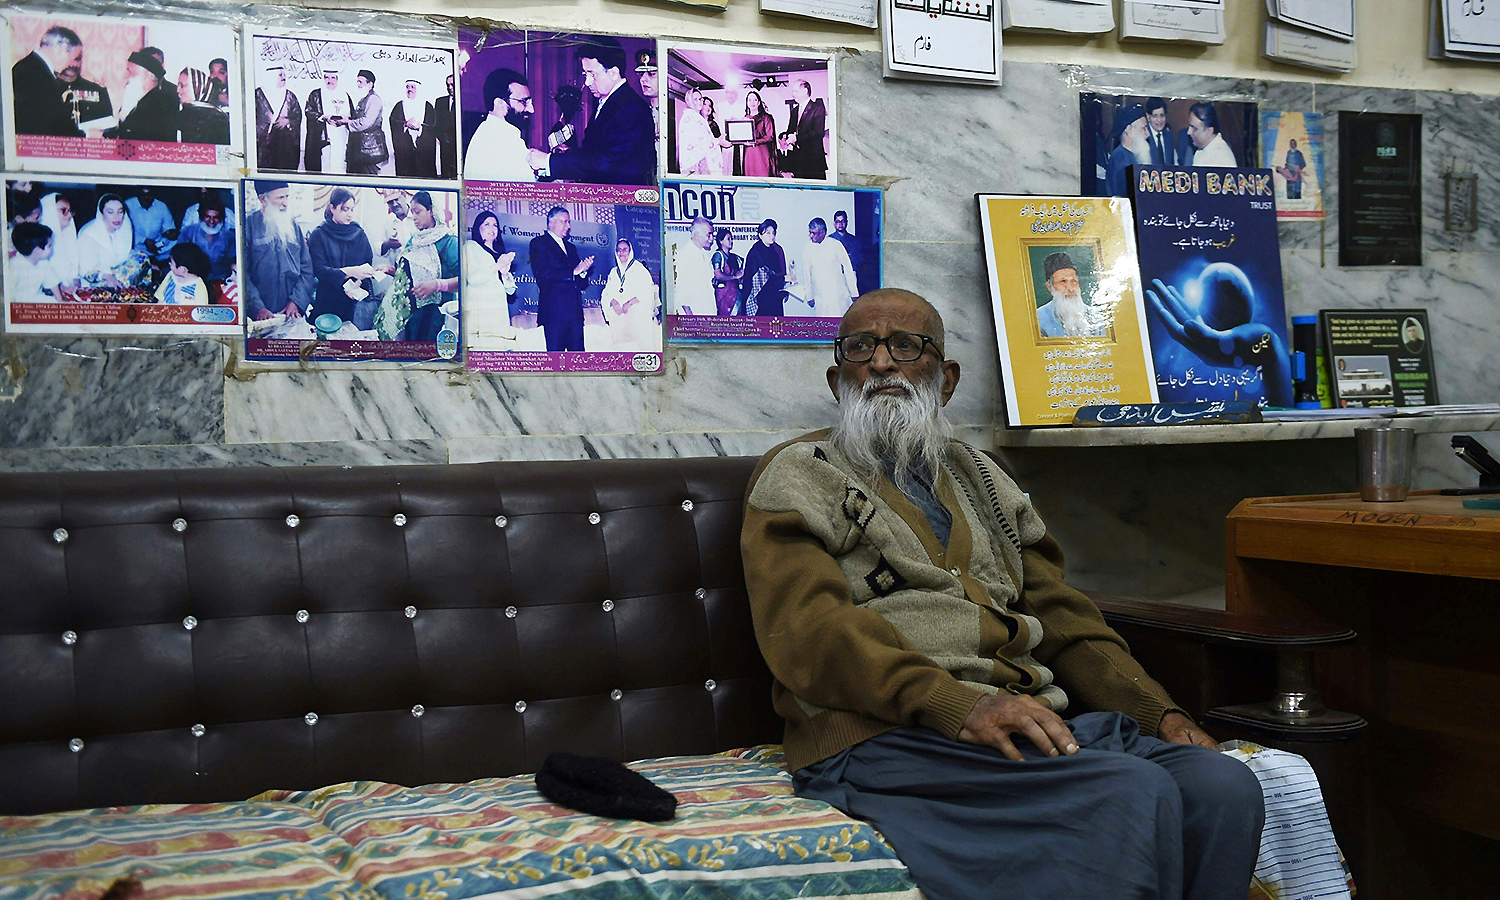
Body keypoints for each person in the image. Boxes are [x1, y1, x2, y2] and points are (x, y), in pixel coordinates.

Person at [742, 287, 1265, 900]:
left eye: (905, 346)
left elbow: (1061, 615)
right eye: (861, 348)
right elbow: (811, 631)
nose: (881, 363)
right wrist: (958, 704)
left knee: (1224, 786)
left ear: (946, 378)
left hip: (1018, 723)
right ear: (838, 379)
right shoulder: (800, 472)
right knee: (1130, 791)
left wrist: (1159, 712)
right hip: (885, 735)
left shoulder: (983, 476)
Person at [528, 37, 655, 186]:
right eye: (585, 75)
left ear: (613, 73)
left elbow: (607, 164)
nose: (587, 83)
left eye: (592, 74)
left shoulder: (631, 109)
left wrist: (549, 161)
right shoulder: (608, 101)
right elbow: (597, 152)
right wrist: (570, 154)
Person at [307, 187, 386, 327]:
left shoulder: (358, 233)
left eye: (351, 209)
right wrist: (349, 271)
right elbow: (319, 270)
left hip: (353, 299)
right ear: (332, 208)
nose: (349, 214)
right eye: (344, 209)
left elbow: (366, 262)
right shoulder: (319, 234)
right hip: (328, 298)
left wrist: (358, 281)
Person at [243, 180, 314, 322]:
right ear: (263, 199)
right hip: (261, 313)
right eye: (280, 198)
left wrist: (296, 302)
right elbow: (243, 273)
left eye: (287, 197)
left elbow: (307, 268)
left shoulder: (292, 225)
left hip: (291, 312)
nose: (285, 203)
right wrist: (258, 308)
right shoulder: (248, 226)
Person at [396, 191, 459, 343]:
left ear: (431, 211)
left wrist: (437, 285)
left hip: (437, 314)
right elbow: (408, 271)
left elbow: (464, 280)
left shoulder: (449, 241)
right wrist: (392, 270)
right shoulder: (415, 240)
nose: (414, 217)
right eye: (412, 212)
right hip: (413, 313)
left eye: (418, 212)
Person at [528, 206, 593, 351]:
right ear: (552, 222)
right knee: (556, 362)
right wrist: (573, 272)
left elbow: (581, 284)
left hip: (575, 315)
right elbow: (542, 273)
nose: (568, 226)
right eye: (565, 221)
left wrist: (583, 272)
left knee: (578, 361)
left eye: (569, 222)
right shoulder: (538, 243)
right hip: (554, 314)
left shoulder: (571, 248)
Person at [465, 67, 536, 182]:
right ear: (500, 104)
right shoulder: (498, 140)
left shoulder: (495, 133)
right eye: (524, 102)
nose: (531, 109)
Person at [12, 26, 83, 137]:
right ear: (61, 49)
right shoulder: (35, 75)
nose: (70, 64)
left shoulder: (29, 67)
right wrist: (86, 135)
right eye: (72, 57)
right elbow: (49, 125)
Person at [463, 210, 518, 350]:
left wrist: (505, 273)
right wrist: (499, 265)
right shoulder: (470, 247)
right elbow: (473, 278)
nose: (492, 228)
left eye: (495, 225)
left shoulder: (500, 253)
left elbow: (511, 291)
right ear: (478, 228)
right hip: (480, 311)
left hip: (498, 312)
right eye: (487, 224)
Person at [600, 238, 661, 350]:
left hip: (636, 312)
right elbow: (607, 293)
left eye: (624, 250)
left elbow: (647, 291)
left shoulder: (639, 269)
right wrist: (614, 303)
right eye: (618, 250)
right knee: (621, 346)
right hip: (619, 314)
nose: (621, 253)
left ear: (630, 251)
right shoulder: (614, 272)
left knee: (640, 347)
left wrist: (629, 303)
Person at [794, 217, 858, 317]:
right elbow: (807, 273)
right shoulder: (808, 248)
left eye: (813, 233)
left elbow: (848, 268)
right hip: (820, 296)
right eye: (810, 232)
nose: (811, 236)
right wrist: (809, 296)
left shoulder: (835, 245)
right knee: (823, 326)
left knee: (840, 326)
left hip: (838, 295)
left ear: (822, 233)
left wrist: (854, 292)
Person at [1036, 251, 1108, 339]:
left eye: (1074, 281)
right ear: (1050, 287)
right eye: (1063, 282)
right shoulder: (1039, 319)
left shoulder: (1096, 317)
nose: (1070, 289)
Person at [112, 50, 178, 143]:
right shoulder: (144, 101)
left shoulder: (158, 106)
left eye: (129, 71)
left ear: (146, 76)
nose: (125, 77)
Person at [77, 193, 135, 286]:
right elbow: (85, 271)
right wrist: (107, 276)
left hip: (117, 273)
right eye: (110, 212)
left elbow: (124, 256)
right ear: (101, 213)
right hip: (97, 280)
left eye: (120, 212)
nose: (116, 217)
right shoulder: (89, 235)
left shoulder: (122, 231)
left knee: (141, 257)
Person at [255, 65, 302, 170]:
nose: (283, 77)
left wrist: (288, 121)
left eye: (284, 74)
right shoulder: (257, 95)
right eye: (280, 75)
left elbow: (297, 116)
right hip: (262, 144)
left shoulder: (290, 96)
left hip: (284, 144)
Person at [342, 70, 388, 176]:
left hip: (369, 151)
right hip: (358, 150)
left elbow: (366, 122)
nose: (358, 85)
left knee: (367, 182)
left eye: (361, 82)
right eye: (357, 82)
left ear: (370, 84)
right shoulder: (364, 99)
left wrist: (347, 122)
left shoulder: (374, 99)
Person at [178, 196, 235, 282]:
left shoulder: (229, 236)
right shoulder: (188, 232)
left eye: (216, 217)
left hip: (220, 279)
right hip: (194, 279)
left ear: (221, 218)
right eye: (207, 217)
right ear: (201, 216)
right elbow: (179, 256)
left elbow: (233, 261)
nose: (211, 221)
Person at [305, 70, 351, 174]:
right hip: (322, 140)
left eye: (333, 78)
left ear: (337, 79)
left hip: (341, 138)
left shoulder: (345, 95)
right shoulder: (315, 94)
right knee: (323, 169)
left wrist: (343, 120)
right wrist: (324, 117)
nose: (329, 81)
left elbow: (352, 116)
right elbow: (309, 112)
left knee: (339, 167)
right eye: (327, 78)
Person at [740, 218, 787, 317]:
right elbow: (763, 277)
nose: (772, 236)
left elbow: (779, 272)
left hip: (774, 296)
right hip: (760, 300)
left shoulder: (774, 251)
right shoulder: (756, 252)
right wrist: (783, 278)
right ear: (760, 235)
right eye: (768, 233)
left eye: (773, 233)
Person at [670, 216, 716, 316]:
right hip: (694, 313)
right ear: (697, 235)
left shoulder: (703, 253)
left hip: (706, 309)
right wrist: (690, 317)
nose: (712, 239)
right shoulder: (685, 255)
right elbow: (681, 289)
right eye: (709, 235)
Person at [391, 79, 437, 178]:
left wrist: (420, 128)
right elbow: (393, 122)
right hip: (405, 151)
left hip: (423, 150)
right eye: (407, 87)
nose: (409, 89)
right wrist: (405, 124)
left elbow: (433, 127)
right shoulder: (399, 105)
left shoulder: (427, 106)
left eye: (413, 87)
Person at [6, 222, 62, 302]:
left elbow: (52, 283)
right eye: (49, 245)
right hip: (18, 302)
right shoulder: (14, 265)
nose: (52, 247)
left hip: (36, 297)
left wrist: (60, 301)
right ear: (37, 250)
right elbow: (9, 293)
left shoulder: (44, 263)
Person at [176, 67, 230, 144]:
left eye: (182, 85)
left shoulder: (189, 114)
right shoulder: (219, 114)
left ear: (196, 87)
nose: (178, 90)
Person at [1106, 104, 1150, 197]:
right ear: (1129, 130)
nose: (1148, 133)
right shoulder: (1122, 162)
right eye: (1144, 128)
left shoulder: (1132, 155)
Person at [787, 80, 828, 180]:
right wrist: (785, 136)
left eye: (795, 91)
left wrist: (796, 138)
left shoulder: (817, 108)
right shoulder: (795, 110)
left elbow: (818, 132)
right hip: (798, 160)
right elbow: (791, 130)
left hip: (813, 160)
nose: (793, 94)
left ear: (805, 91)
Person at [126, 186, 175, 265]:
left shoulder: (161, 206)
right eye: (143, 195)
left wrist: (163, 240)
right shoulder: (128, 205)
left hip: (158, 246)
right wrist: (144, 240)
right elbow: (124, 229)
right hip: (136, 247)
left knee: (176, 243)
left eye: (149, 195)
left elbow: (169, 229)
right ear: (137, 195)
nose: (146, 198)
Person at [38, 193, 80, 287]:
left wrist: (75, 277)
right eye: (63, 210)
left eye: (70, 211)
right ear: (50, 211)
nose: (69, 215)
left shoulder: (68, 234)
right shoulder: (40, 238)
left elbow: (74, 263)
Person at [676, 88, 717, 176]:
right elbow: (700, 140)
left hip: (701, 159)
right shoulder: (689, 117)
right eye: (695, 99)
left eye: (700, 99)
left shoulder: (696, 116)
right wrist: (718, 141)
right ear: (689, 100)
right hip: (693, 162)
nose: (699, 102)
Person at [1186, 102, 1237, 168]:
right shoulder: (1204, 149)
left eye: (1194, 128)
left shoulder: (1221, 159)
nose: (1189, 132)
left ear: (1209, 131)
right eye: (1189, 127)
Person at [741, 90, 778, 179]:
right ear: (746, 103)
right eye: (749, 100)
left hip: (761, 153)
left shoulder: (766, 117)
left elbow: (770, 136)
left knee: (763, 177)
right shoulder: (744, 118)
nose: (752, 102)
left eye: (755, 100)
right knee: (750, 179)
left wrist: (755, 141)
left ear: (759, 102)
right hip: (749, 153)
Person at [828, 210, 864, 296]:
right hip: (835, 277)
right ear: (834, 223)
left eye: (842, 221)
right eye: (837, 221)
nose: (840, 224)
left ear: (846, 222)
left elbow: (859, 260)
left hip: (851, 275)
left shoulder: (854, 240)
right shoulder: (829, 240)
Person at [711, 228, 743, 316]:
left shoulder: (735, 257)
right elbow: (718, 275)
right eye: (728, 239)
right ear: (721, 241)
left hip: (736, 293)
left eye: (731, 238)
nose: (731, 241)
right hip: (724, 293)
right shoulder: (718, 256)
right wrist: (734, 277)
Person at [434, 74, 458, 179]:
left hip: (460, 144)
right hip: (445, 143)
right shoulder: (440, 102)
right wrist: (440, 137)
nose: (449, 88)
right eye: (447, 85)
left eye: (452, 84)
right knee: (446, 171)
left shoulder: (465, 101)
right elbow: (436, 122)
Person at [635, 49, 659, 141]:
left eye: (652, 74)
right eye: (641, 74)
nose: (643, 79)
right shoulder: (638, 113)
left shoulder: (672, 112)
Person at [1145, 97, 1177, 166]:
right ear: (1148, 117)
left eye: (1162, 115)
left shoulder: (1169, 136)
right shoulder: (1144, 136)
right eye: (1155, 116)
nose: (1159, 120)